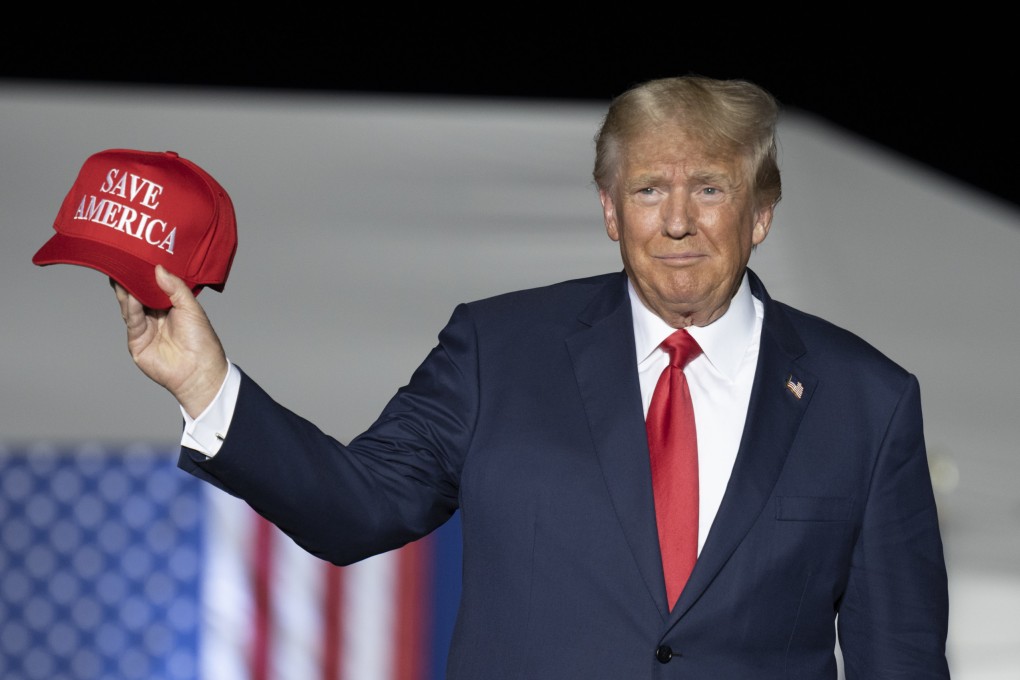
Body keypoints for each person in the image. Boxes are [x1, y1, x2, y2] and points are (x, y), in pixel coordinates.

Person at [113, 76, 950, 678]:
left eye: (710, 188)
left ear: (761, 212)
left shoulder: (865, 402)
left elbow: (902, 659)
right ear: (610, 209)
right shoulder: (499, 351)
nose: (678, 221)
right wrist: (206, 385)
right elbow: (355, 507)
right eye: (648, 189)